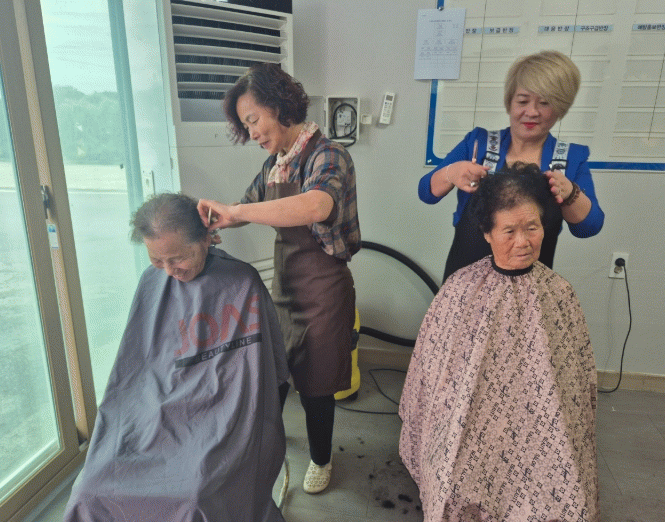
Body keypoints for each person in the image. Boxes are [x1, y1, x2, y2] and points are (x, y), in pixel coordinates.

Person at [63, 193, 289, 522]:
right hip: (153, 410)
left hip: (220, 417)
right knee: (89, 490)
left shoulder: (243, 282)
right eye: (157, 261)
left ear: (208, 238)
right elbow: (133, 369)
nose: (170, 271)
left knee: (195, 496)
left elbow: (269, 369)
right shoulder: (150, 282)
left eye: (178, 258)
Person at [400, 163, 599, 521]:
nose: (523, 242)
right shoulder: (459, 291)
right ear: (487, 234)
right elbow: (429, 375)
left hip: (541, 429)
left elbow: (577, 383)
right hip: (472, 427)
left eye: (532, 227)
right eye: (509, 231)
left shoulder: (559, 293)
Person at [197, 63, 360, 494]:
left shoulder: (327, 154)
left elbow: (316, 206)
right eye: (245, 125)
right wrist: (213, 221)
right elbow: (245, 206)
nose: (252, 133)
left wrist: (239, 212)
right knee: (275, 375)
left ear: (279, 105)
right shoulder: (275, 165)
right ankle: (264, 448)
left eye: (253, 120)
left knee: (316, 386)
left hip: (323, 290)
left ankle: (321, 459)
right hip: (285, 290)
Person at [419, 50, 604, 282]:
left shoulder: (571, 158)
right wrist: (451, 173)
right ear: (509, 102)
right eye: (523, 101)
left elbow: (589, 228)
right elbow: (426, 193)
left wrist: (570, 194)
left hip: (528, 288)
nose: (531, 112)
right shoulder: (478, 144)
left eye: (545, 103)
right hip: (466, 282)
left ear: (559, 108)